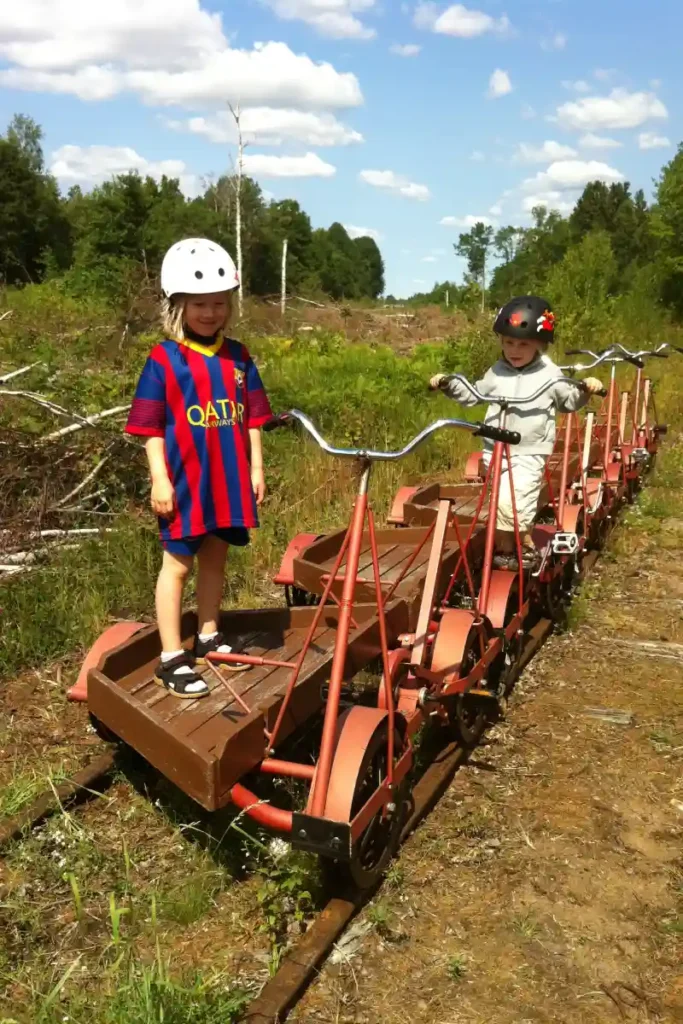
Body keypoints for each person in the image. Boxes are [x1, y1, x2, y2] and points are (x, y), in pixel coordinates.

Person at [125, 238, 272, 698]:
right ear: (179, 306)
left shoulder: (239, 357)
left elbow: (253, 419)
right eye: (199, 304)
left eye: (218, 303)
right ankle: (172, 656)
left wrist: (256, 468)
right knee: (177, 566)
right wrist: (159, 479)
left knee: (215, 559)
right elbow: (150, 427)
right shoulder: (164, 359)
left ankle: (208, 636)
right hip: (185, 482)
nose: (210, 313)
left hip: (227, 479)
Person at [430, 295, 603, 571]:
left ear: (540, 345)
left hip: (529, 450)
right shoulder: (497, 371)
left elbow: (568, 401)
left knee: (516, 502)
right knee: (499, 504)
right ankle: (509, 548)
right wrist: (449, 384)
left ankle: (520, 547)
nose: (514, 350)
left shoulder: (550, 374)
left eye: (523, 344)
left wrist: (585, 390)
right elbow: (474, 394)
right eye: (509, 342)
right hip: (495, 448)